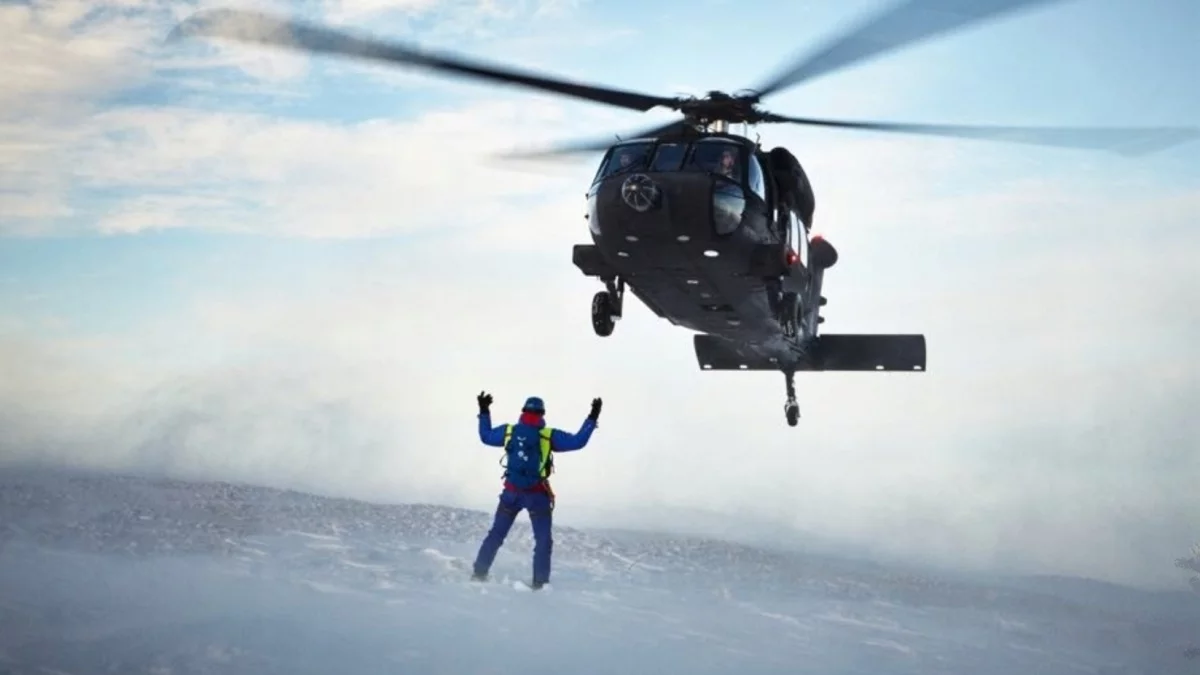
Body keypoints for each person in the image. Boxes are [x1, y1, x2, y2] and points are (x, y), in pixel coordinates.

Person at [470, 391, 601, 589]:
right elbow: (578, 441)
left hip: (510, 494)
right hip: (537, 496)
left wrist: (484, 410)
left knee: (496, 535)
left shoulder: (508, 432)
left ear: (522, 412)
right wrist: (592, 417)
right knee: (542, 541)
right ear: (542, 414)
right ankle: (540, 584)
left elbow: (485, 436)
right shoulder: (548, 436)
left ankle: (479, 574)